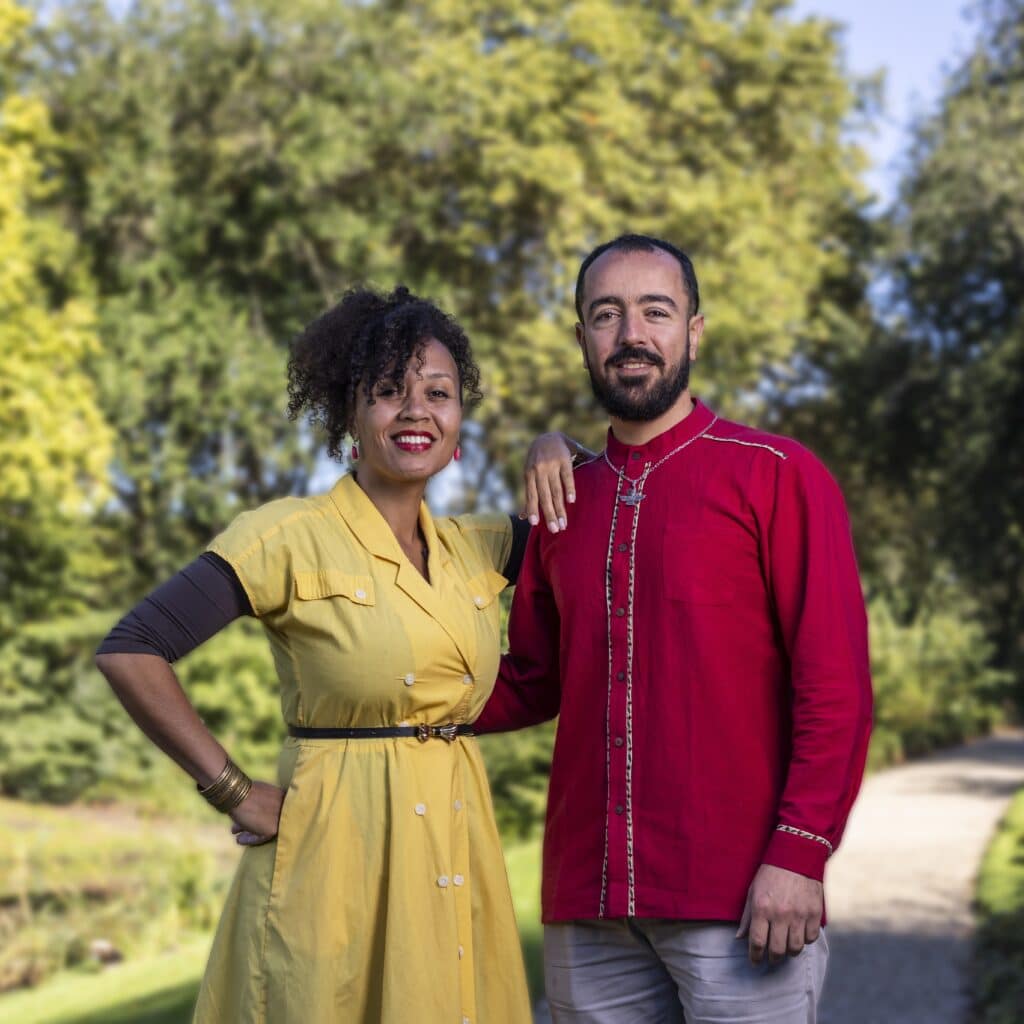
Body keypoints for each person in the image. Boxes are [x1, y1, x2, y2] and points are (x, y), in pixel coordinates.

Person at [95, 285, 571, 1023]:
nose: (416, 411)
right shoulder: (286, 534)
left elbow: (598, 506)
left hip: (453, 835)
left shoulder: (480, 547)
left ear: (459, 421)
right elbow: (132, 648)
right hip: (336, 846)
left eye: (438, 393)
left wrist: (557, 448)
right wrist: (231, 788)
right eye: (388, 391)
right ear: (349, 412)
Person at [477, 234, 874, 1022]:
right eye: (606, 314)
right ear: (583, 340)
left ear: (694, 330)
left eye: (656, 312)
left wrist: (800, 854)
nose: (631, 334)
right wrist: (390, 699)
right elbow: (530, 680)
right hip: (587, 908)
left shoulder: (779, 476)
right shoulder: (565, 503)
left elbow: (835, 687)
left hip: (740, 903)